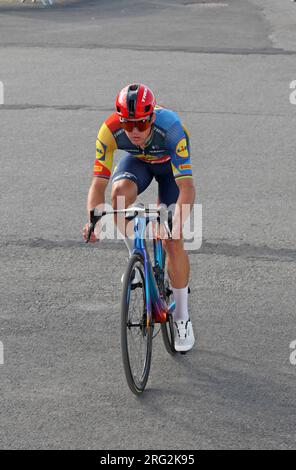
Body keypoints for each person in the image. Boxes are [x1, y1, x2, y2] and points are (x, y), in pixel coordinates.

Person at [83, 83, 196, 352]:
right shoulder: (109, 130)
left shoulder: (172, 129)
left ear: (152, 118)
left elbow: (187, 188)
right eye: (128, 124)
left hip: (170, 169)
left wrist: (175, 225)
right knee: (119, 193)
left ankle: (181, 316)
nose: (134, 132)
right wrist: (94, 221)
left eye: (141, 124)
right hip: (138, 164)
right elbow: (98, 184)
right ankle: (137, 256)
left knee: (172, 240)